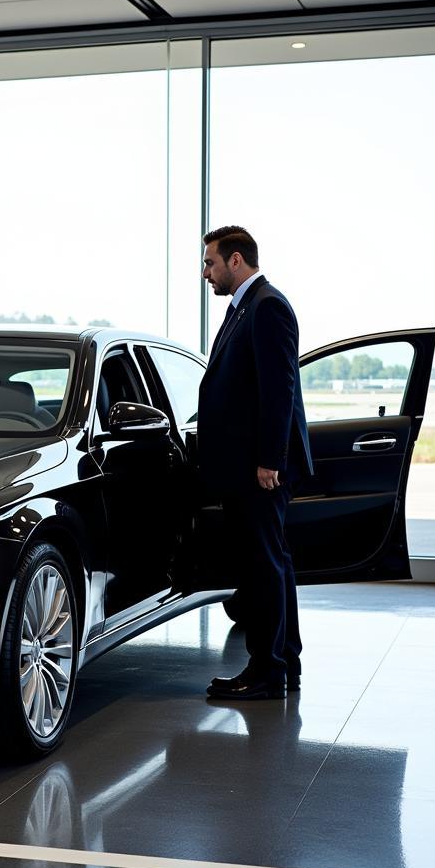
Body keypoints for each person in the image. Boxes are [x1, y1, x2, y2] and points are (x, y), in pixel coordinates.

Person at [196, 226, 313, 700]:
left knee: (263, 566)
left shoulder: (267, 306)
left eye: (211, 263)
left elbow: (278, 389)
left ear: (236, 260)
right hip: (247, 465)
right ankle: (286, 662)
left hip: (257, 468)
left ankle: (266, 672)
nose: (206, 273)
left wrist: (270, 461)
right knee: (274, 563)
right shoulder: (247, 306)